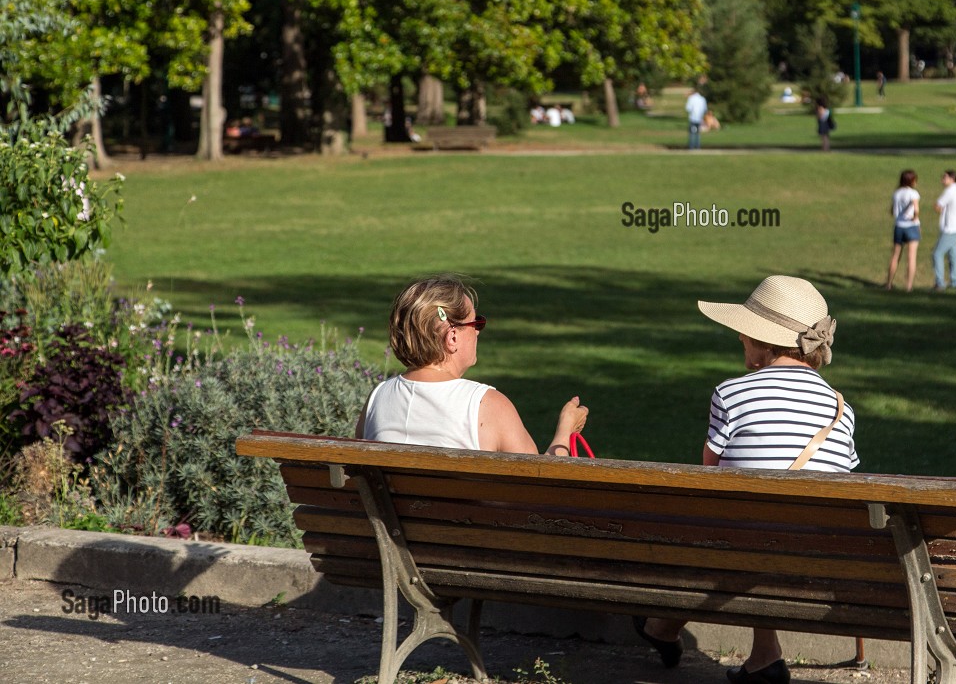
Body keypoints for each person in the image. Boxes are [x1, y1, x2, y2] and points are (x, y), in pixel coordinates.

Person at [635, 276, 855, 684]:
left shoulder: (732, 394)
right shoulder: (842, 408)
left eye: (746, 331)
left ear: (765, 342)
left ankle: (662, 627)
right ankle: (761, 656)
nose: (739, 335)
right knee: (767, 521)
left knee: (727, 522)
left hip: (741, 549)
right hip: (824, 557)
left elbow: (709, 477)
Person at [358, 276, 587, 454]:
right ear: (453, 337)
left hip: (391, 516)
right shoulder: (485, 404)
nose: (477, 330)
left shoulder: (377, 398)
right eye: (475, 322)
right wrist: (565, 430)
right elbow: (540, 485)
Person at [884, 170, 921, 291]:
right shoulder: (913, 193)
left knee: (895, 256)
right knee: (911, 257)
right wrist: (915, 219)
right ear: (912, 181)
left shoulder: (897, 193)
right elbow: (916, 209)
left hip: (899, 226)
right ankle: (908, 286)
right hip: (911, 226)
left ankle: (888, 283)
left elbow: (892, 211)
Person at [931, 170, 956, 292]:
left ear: (952, 179)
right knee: (953, 255)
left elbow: (937, 206)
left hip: (950, 229)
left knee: (937, 254)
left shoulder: (950, 191)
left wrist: (940, 209)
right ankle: (955, 281)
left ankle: (940, 283)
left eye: (945, 177)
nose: (942, 179)